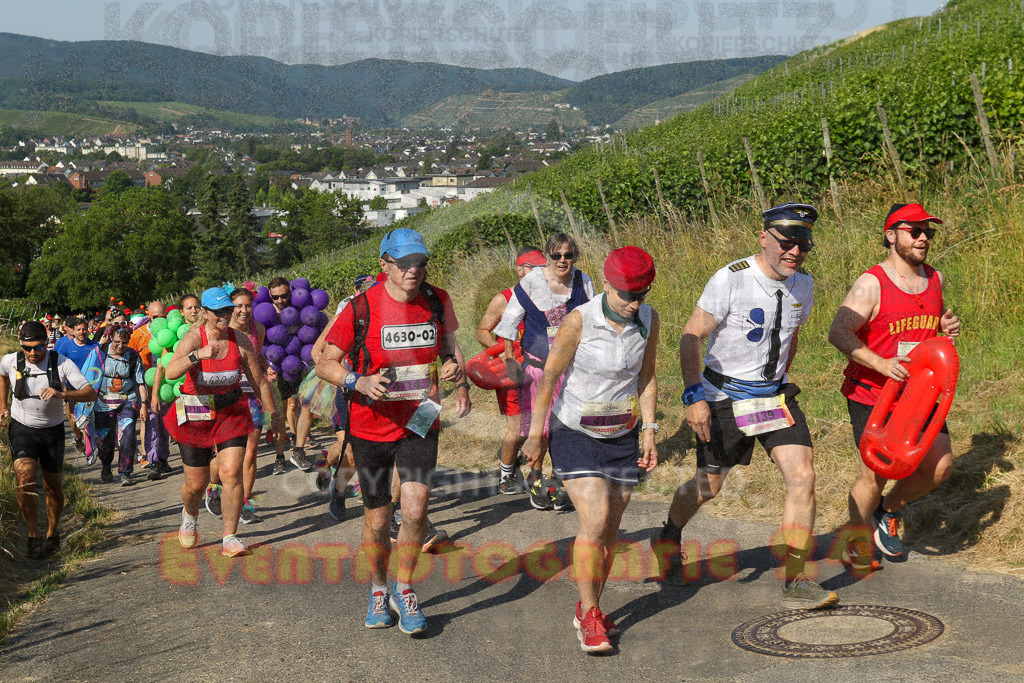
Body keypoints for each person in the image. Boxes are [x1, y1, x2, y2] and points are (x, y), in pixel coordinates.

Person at [650, 203, 838, 610]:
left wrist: (780, 381)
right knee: (708, 487)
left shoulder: (803, 284)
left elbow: (792, 336)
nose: (794, 253)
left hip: (773, 397)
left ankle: (796, 579)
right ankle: (668, 536)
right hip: (723, 399)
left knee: (802, 475)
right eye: (786, 244)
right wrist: (693, 396)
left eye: (803, 247)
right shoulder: (730, 278)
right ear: (764, 238)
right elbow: (691, 337)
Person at [317, 228, 470, 636]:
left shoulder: (437, 299)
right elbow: (325, 363)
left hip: (420, 418)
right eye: (403, 263)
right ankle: (379, 588)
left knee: (417, 508)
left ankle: (405, 587)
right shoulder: (360, 307)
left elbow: (450, 348)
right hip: (370, 425)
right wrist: (357, 382)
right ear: (384, 264)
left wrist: (458, 375)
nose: (413, 271)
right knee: (379, 519)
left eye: (419, 262)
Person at [524, 247, 660, 653]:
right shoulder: (578, 321)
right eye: (626, 295)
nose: (634, 303)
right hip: (575, 431)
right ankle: (588, 613)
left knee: (612, 532)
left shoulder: (648, 319)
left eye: (642, 294)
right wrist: (536, 434)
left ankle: (592, 607)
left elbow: (647, 376)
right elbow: (548, 379)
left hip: (622, 434)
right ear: (606, 284)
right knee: (596, 520)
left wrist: (650, 431)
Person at [828, 203, 961, 571]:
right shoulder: (871, 283)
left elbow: (928, 324)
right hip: (874, 395)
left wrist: (945, 329)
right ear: (891, 235)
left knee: (940, 467)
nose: (923, 238)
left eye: (928, 232)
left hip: (919, 394)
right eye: (914, 231)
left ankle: (886, 513)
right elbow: (838, 333)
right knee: (875, 474)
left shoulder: (935, 279)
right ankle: (856, 537)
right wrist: (882, 364)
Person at [164, 287, 283, 557]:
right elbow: (171, 372)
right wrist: (198, 356)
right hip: (196, 412)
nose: (224, 316)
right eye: (217, 312)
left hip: (230, 410)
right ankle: (190, 513)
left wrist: (274, 415)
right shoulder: (194, 338)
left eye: (226, 310)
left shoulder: (240, 340)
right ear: (204, 313)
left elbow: (258, 380)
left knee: (231, 473)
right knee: (197, 484)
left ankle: (229, 537)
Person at [494, 233, 595, 511]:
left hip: (573, 369)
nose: (563, 261)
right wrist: (509, 358)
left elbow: (594, 317)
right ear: (547, 257)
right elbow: (509, 321)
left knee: (567, 427)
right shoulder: (530, 282)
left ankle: (558, 479)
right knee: (540, 430)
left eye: (568, 255)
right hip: (538, 368)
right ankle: (536, 479)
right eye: (556, 256)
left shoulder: (583, 281)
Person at [0, 322, 97, 559]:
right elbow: (2, 376)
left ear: (47, 343)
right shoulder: (10, 360)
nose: (33, 353)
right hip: (22, 428)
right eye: (27, 347)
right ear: (21, 344)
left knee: (52, 485)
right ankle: (33, 537)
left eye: (39, 347)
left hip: (52, 431)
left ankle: (52, 534)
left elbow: (90, 392)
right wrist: (2, 405)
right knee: (24, 480)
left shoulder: (62, 363)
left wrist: (63, 394)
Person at [475, 246, 547, 494]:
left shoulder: (548, 296)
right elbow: (482, 331)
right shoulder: (503, 298)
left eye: (543, 268)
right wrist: (508, 352)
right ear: (520, 270)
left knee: (542, 428)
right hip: (512, 372)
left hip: (539, 370)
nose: (541, 273)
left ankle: (536, 478)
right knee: (517, 431)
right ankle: (506, 476)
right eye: (534, 268)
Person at [204, 287, 271, 524]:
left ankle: (243, 503)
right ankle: (212, 484)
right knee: (224, 457)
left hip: (251, 395)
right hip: (226, 396)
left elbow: (257, 356)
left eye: (248, 305)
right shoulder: (222, 330)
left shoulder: (259, 329)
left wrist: (266, 367)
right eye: (238, 306)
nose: (244, 310)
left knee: (250, 453)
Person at [266, 276, 316, 474]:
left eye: (284, 296)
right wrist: (267, 367)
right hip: (278, 368)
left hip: (301, 363)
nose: (280, 300)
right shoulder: (266, 314)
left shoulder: (301, 308)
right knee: (279, 414)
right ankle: (280, 458)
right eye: (275, 297)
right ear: (270, 296)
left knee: (306, 405)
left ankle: (299, 450)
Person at [94, 325, 147, 486]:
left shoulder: (133, 357)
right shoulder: (99, 352)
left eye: (124, 343)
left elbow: (140, 383)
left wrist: (143, 404)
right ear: (111, 339)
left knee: (128, 436)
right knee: (104, 440)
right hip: (103, 402)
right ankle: (106, 466)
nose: (120, 346)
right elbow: (89, 374)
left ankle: (125, 472)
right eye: (117, 342)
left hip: (127, 400)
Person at [130, 301, 173, 472]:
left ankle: (163, 458)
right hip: (147, 389)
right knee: (152, 424)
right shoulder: (137, 335)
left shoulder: (171, 332)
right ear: (148, 315)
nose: (159, 321)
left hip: (168, 387)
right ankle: (153, 460)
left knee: (166, 426)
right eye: (156, 317)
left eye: (163, 317)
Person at [53, 317, 100, 454]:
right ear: (72, 331)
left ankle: (90, 446)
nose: (82, 332)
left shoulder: (94, 346)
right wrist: (63, 386)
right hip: (71, 388)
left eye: (84, 329)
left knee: (89, 417)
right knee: (74, 419)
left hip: (90, 388)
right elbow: (59, 366)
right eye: (78, 330)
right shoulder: (65, 346)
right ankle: (78, 436)